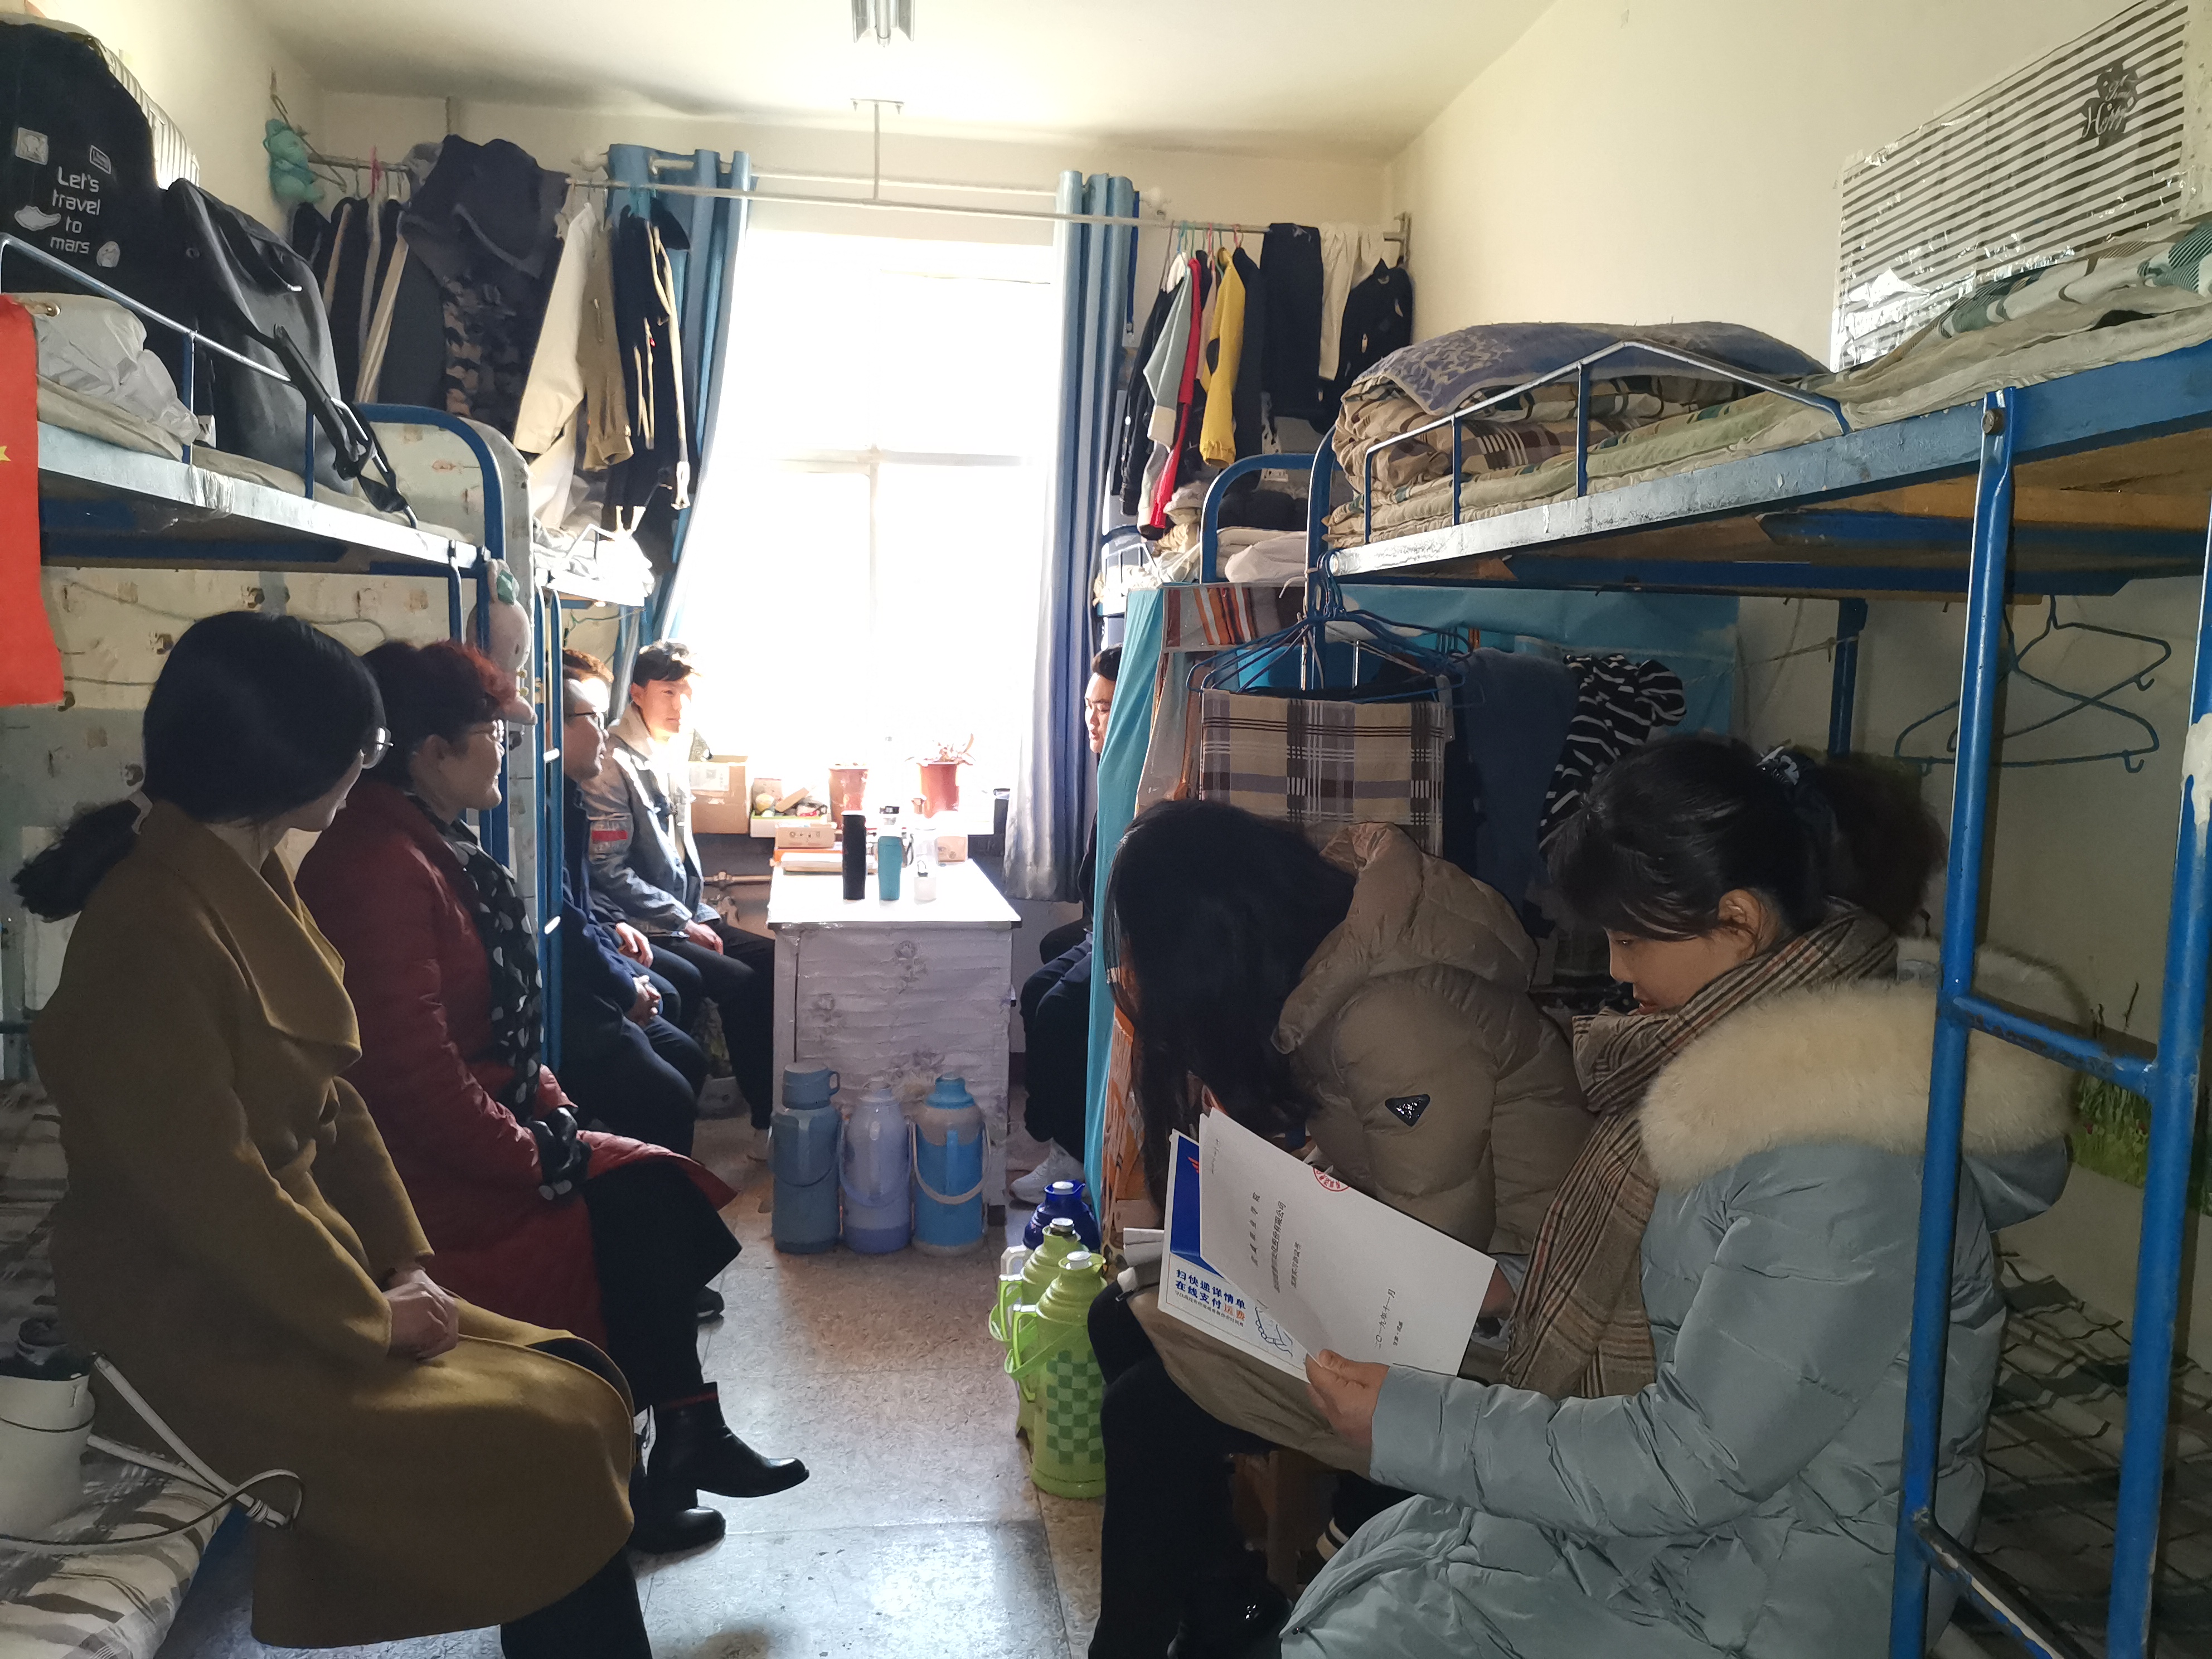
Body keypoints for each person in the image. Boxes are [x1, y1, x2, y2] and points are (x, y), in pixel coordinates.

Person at [1279, 739, 2076, 1659]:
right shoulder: (1746, 1076)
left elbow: (1693, 1462)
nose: (1618, 972)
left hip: (1760, 1597)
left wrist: (1413, 1422)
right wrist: (1507, 1292)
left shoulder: (1842, 1154)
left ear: (1737, 922)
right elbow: (1691, 1301)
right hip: (1687, 1549)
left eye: (1631, 939)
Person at [18, 612, 649, 1657]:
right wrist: (367, 1316)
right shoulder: (147, 930)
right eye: (363, 744)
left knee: (581, 1380)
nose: (370, 764)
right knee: (542, 1436)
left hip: (292, 1273)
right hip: (192, 1316)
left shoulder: (246, 876)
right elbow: (210, 1188)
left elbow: (335, 1099)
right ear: (286, 759)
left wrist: (402, 1260)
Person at [296, 639, 808, 1561]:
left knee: (656, 1188)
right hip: (426, 1174)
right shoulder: (377, 865)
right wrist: (533, 1152)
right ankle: (661, 1458)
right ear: (432, 751)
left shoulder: (422, 842)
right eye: (492, 734)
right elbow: (413, 1078)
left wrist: (549, 1100)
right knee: (641, 1208)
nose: (507, 750)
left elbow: (494, 1028)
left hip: (482, 1128)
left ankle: (678, 1442)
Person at [1086, 799, 1595, 1659]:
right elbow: (1397, 1181)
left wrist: (1282, 1265)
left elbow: (1431, 1266)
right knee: (1122, 1312)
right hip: (1443, 1281)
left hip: (1508, 1329)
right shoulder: (1337, 979)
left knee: (1150, 1410)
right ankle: (1223, 1603)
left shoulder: (1388, 1015)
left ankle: (1140, 1640)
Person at [580, 639, 776, 1137]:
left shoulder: (667, 749)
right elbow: (608, 870)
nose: (680, 705)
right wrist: (682, 921)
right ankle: (764, 1120)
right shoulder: (612, 763)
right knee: (740, 983)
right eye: (669, 692)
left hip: (681, 913)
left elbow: (679, 855)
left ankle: (773, 1108)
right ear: (638, 694)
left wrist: (698, 915)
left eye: (687, 693)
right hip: (645, 922)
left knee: (774, 960)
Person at [555, 652, 710, 1154]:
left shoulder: (571, 799)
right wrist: (626, 984)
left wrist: (616, 939)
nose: (605, 733)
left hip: (614, 931)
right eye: (591, 719)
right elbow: (571, 912)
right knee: (673, 1083)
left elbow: (580, 906)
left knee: (686, 1041)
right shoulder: (549, 802)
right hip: (582, 982)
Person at [1014, 644, 1120, 1201]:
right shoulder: (1110, 766)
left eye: (1105, 707)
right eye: (1088, 706)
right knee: (1036, 989)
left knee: (1057, 1009)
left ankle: (1072, 1153)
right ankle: (1054, 1135)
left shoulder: (1140, 770)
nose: (1091, 720)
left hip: (1128, 935)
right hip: (1103, 926)